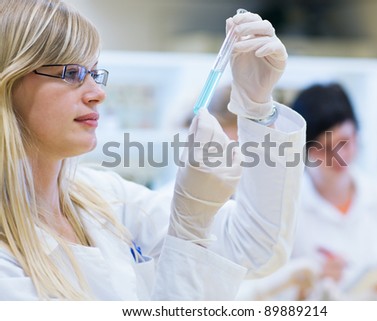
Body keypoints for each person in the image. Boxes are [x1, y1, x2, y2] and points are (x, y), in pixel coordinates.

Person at [0, 0, 306, 300]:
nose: (98, 93)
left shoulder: (105, 199)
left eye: (94, 73)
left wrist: (257, 108)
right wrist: (189, 229)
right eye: (71, 73)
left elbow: (254, 248)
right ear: (8, 82)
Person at [237, 82, 377, 301]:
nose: (339, 156)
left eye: (345, 142)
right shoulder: (284, 208)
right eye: (325, 148)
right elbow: (262, 294)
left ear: (357, 134)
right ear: (304, 151)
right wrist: (305, 284)